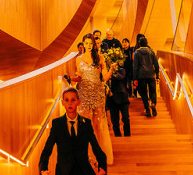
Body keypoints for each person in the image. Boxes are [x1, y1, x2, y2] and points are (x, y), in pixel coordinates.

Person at [39, 87, 107, 175]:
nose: (70, 103)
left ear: (78, 102)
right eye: (66, 100)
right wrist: (43, 169)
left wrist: (103, 167)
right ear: (63, 103)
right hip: (63, 171)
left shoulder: (86, 123)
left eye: (73, 100)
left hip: (84, 171)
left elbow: (96, 147)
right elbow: (47, 150)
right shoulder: (57, 124)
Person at [75, 33, 115, 163]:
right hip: (84, 94)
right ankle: (86, 157)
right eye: (86, 43)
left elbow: (104, 77)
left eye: (90, 43)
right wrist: (70, 79)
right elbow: (79, 77)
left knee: (98, 125)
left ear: (93, 44)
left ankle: (100, 155)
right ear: (83, 44)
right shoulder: (78, 59)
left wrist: (111, 70)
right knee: (85, 125)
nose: (88, 46)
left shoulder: (100, 58)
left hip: (97, 93)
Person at [133, 36, 159, 117]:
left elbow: (135, 66)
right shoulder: (151, 52)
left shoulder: (137, 53)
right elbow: (156, 64)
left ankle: (147, 109)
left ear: (139, 44)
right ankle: (153, 103)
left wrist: (135, 78)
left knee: (144, 93)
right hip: (151, 74)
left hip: (141, 75)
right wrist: (157, 75)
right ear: (147, 43)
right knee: (153, 91)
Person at [106, 66, 130, 137]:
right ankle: (118, 136)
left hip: (122, 97)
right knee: (114, 121)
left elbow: (119, 77)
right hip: (112, 99)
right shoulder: (105, 72)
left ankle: (127, 136)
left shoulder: (121, 70)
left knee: (125, 118)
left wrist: (110, 73)